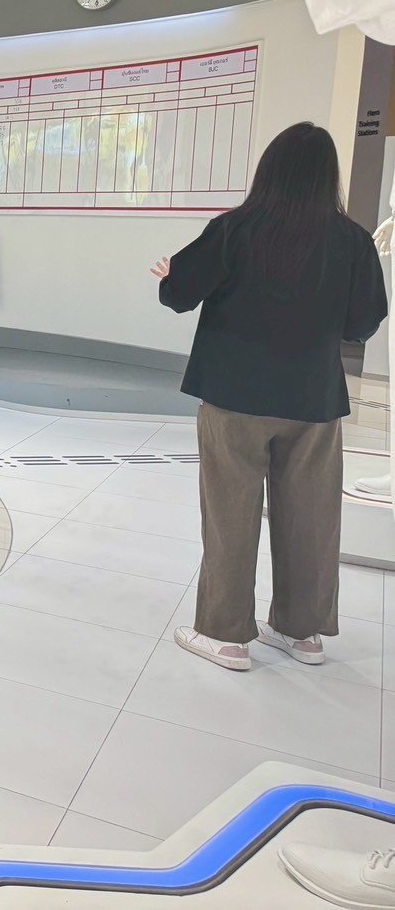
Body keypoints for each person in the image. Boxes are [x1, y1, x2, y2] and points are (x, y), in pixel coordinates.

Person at [154, 122, 387, 672]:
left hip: (232, 393)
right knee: (310, 517)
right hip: (313, 398)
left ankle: (225, 636)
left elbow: (179, 294)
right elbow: (363, 323)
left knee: (230, 513)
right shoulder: (351, 240)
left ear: (269, 170)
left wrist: (168, 275)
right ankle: (302, 633)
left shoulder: (234, 228)